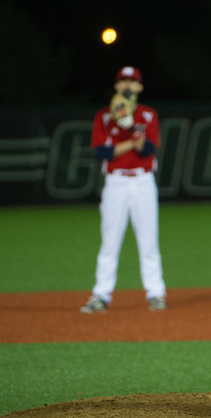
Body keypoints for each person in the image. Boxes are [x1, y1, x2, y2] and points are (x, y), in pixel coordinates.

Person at [80, 65, 168, 313]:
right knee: (109, 242)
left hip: (143, 181)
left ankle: (156, 293)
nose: (128, 85)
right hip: (115, 182)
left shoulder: (148, 115)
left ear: (140, 87)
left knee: (148, 241)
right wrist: (133, 139)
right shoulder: (104, 117)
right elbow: (103, 152)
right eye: (123, 81)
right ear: (117, 86)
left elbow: (148, 149)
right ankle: (101, 295)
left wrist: (129, 126)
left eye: (133, 81)